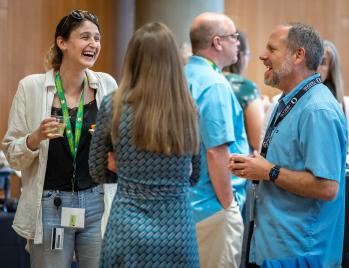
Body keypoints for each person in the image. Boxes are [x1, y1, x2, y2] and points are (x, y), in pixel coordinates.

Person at [2, 10, 118, 268]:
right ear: (62, 42)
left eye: (97, 38)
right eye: (85, 37)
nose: (94, 44)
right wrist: (35, 137)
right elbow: (12, 153)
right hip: (50, 206)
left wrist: (108, 140)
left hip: (97, 201)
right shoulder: (30, 87)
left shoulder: (107, 85)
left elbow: (122, 144)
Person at [229, 23, 347, 267]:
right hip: (274, 247)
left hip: (301, 254)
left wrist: (269, 171)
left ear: (298, 55)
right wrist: (255, 167)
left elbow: (327, 188)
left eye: (271, 49)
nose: (262, 56)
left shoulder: (317, 110)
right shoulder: (288, 101)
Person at [89, 22, 201, 267]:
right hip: (177, 231)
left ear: (133, 59)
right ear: (174, 60)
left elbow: (97, 171)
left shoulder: (114, 105)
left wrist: (124, 169)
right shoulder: (188, 109)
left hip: (128, 228)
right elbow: (194, 176)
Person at [184, 12, 249, 268]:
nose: (239, 44)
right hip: (212, 207)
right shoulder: (214, 85)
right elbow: (215, 152)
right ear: (217, 42)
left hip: (185, 204)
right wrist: (228, 204)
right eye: (234, 37)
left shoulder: (181, 76)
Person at [317, 39, 349, 169]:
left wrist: (339, 163)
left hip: (338, 175)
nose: (316, 67)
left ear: (331, 69)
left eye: (322, 62)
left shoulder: (347, 105)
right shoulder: (284, 100)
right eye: (313, 61)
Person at [224, 31, 265, 152]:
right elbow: (259, 141)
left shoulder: (209, 80)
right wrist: (263, 110)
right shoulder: (245, 88)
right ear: (241, 56)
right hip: (237, 164)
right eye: (248, 54)